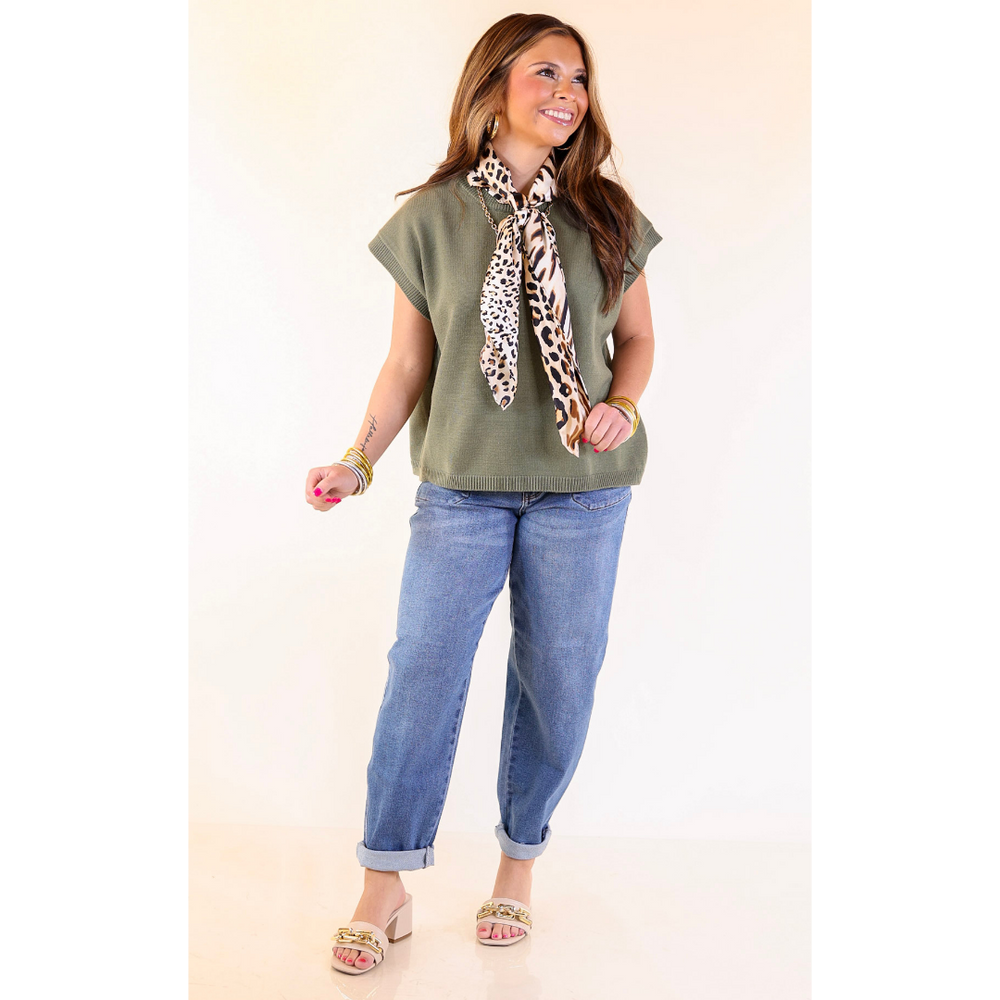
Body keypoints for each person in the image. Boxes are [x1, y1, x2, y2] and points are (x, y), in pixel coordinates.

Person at [305, 13, 662, 975]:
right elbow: (405, 364)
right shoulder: (431, 218)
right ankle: (385, 883)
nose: (568, 92)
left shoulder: (606, 212)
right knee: (421, 672)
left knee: (559, 682)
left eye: (579, 78)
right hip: (461, 490)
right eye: (546, 71)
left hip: (583, 492)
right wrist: (358, 459)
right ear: (493, 84)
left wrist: (621, 406)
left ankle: (517, 867)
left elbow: (635, 341)